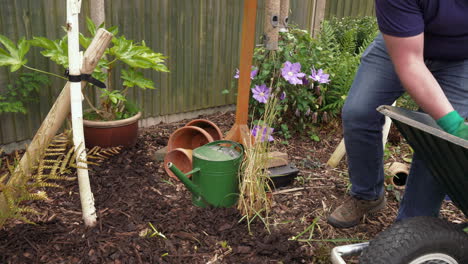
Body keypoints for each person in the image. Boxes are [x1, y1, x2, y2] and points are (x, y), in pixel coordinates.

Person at [327, 0, 468, 228]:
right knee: (359, 112)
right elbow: (410, 62)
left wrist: (447, 129)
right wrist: (455, 125)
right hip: (402, 42)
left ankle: (412, 226)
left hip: (461, 59)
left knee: (438, 139)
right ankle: (367, 195)